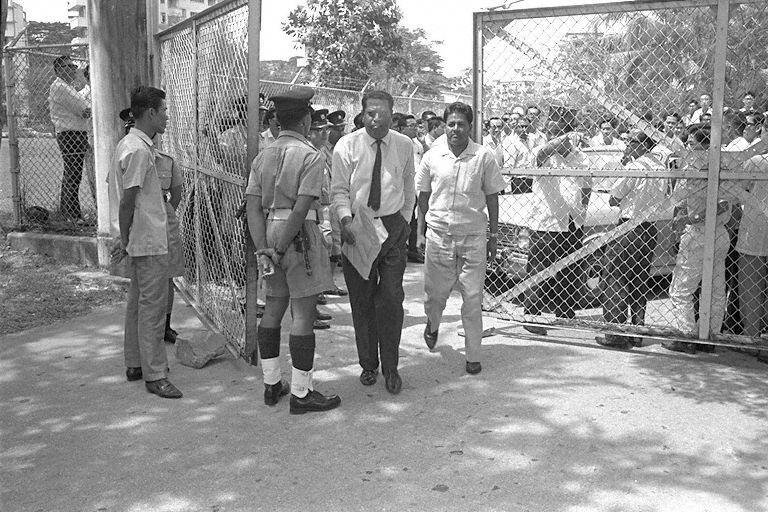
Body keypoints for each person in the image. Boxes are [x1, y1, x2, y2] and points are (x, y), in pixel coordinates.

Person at [245, 85, 340, 414]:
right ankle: (301, 391)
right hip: (298, 235)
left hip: (269, 233)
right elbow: (301, 209)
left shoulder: (262, 156)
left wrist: (264, 249)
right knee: (302, 315)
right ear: (305, 121)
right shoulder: (310, 156)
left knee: (273, 308)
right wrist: (283, 246)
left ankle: (271, 384)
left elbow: (253, 207)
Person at [331, 90, 415, 394]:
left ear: (392, 115)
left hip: (393, 227)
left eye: (382, 113)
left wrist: (404, 220)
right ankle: (369, 363)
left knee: (392, 298)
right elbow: (338, 190)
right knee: (362, 298)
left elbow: (408, 185)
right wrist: (345, 220)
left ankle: (391, 367)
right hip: (358, 227)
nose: (376, 118)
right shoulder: (347, 145)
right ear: (362, 114)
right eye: (370, 113)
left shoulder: (404, 145)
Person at [416, 102, 507, 374]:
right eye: (451, 124)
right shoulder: (432, 155)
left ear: (470, 127)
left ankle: (473, 355)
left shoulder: (483, 156)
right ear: (445, 125)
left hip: (473, 238)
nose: (456, 129)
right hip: (440, 236)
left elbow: (492, 197)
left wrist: (493, 236)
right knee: (436, 296)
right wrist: (420, 233)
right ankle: (432, 324)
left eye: (461, 124)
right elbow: (423, 195)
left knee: (472, 297)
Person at [110, 86, 182, 399]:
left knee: (138, 303)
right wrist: (125, 237)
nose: (167, 115)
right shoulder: (138, 150)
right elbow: (128, 200)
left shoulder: (134, 145)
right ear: (151, 112)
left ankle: (135, 362)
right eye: (164, 110)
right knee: (152, 308)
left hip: (145, 236)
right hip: (148, 239)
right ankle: (155, 374)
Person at [596, 129, 671, 349]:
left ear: (642, 145)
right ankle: (637, 331)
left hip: (629, 228)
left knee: (616, 277)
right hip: (649, 229)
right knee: (639, 279)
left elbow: (614, 198)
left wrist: (626, 168)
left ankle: (615, 333)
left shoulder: (634, 167)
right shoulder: (659, 167)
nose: (627, 144)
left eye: (631, 141)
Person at [522, 106, 591, 335]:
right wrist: (558, 141)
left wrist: (582, 207)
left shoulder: (579, 156)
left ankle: (565, 313)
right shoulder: (542, 153)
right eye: (551, 132)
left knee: (570, 269)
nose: (555, 137)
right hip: (547, 222)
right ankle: (532, 315)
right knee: (539, 269)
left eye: (561, 131)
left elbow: (587, 182)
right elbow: (539, 155)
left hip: (573, 221)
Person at [666, 128, 731, 353]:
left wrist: (693, 217)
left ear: (702, 145)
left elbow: (721, 204)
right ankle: (709, 336)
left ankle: (686, 335)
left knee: (682, 289)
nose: (689, 147)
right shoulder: (722, 164)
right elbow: (679, 198)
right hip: (717, 231)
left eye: (692, 143)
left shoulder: (697, 166)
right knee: (714, 290)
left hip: (700, 231)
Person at [48, 55, 91, 221]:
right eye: (68, 66)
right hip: (70, 134)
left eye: (74, 66)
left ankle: (70, 213)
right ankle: (72, 215)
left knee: (72, 174)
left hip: (75, 133)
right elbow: (85, 109)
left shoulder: (68, 86)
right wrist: (87, 110)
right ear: (59, 70)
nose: (73, 69)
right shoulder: (60, 87)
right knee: (73, 174)